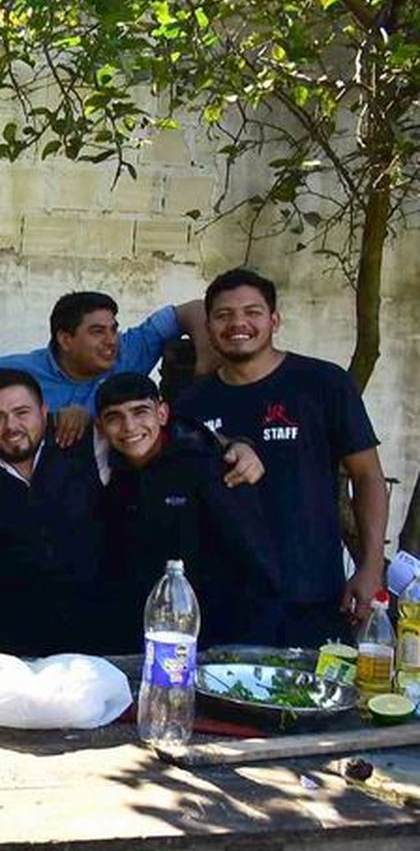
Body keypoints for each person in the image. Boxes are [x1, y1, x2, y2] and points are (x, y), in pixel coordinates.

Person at [174, 268, 388, 646]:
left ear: (274, 320)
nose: (238, 323)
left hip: (312, 595)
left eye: (252, 312)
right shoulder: (192, 403)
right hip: (225, 604)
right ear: (207, 327)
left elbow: (368, 475)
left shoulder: (323, 383)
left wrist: (370, 567)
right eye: (224, 315)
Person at [95, 373, 282, 648]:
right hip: (140, 636)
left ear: (162, 413)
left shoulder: (210, 467)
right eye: (115, 417)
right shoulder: (110, 473)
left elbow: (255, 563)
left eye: (140, 412)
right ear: (100, 426)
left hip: (216, 638)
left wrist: (245, 649)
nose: (129, 426)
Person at [0, 368, 109, 657]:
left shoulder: (85, 444)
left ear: (44, 412)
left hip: (98, 622)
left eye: (22, 412)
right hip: (16, 628)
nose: (11, 426)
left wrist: (86, 413)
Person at [0, 292, 212, 448]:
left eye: (113, 329)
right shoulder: (18, 372)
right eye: (97, 332)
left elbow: (193, 309)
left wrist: (206, 363)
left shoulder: (127, 352)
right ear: (65, 339)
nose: (111, 340)